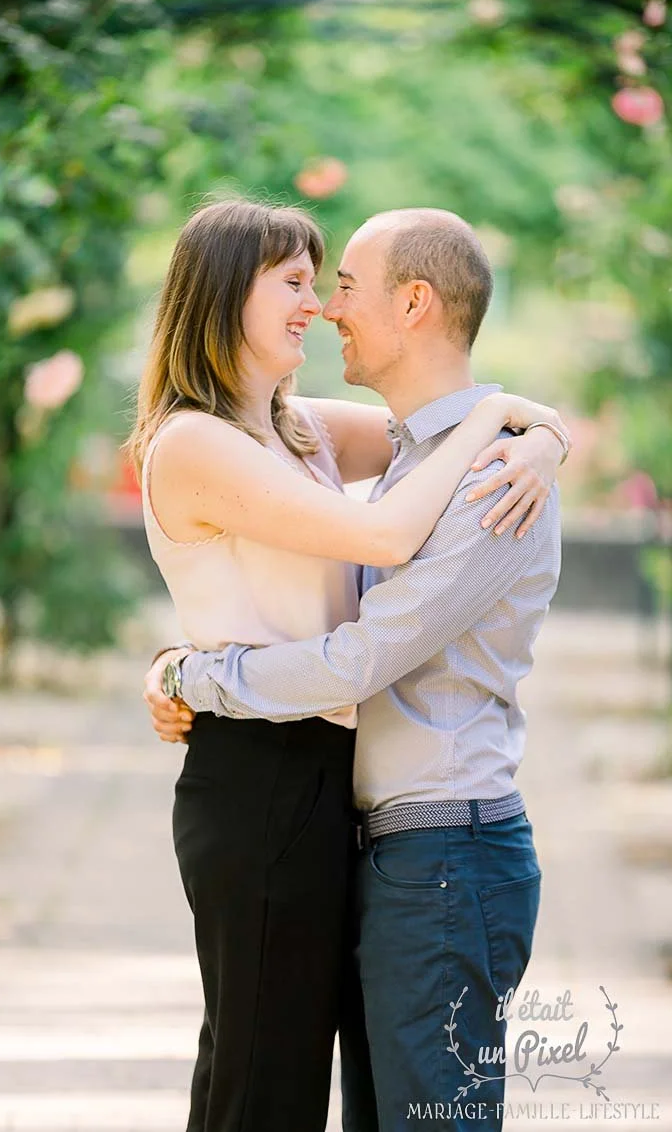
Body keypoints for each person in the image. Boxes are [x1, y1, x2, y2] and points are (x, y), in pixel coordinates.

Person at [135, 200, 568, 1132]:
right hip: (261, 775)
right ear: (223, 295)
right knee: (261, 1078)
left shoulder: (302, 430)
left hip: (348, 793)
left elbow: (445, 436)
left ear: (412, 304)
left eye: (328, 284)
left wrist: (543, 438)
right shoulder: (198, 438)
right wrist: (184, 675)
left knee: (305, 1081)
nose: (320, 308)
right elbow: (393, 519)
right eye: (294, 283)